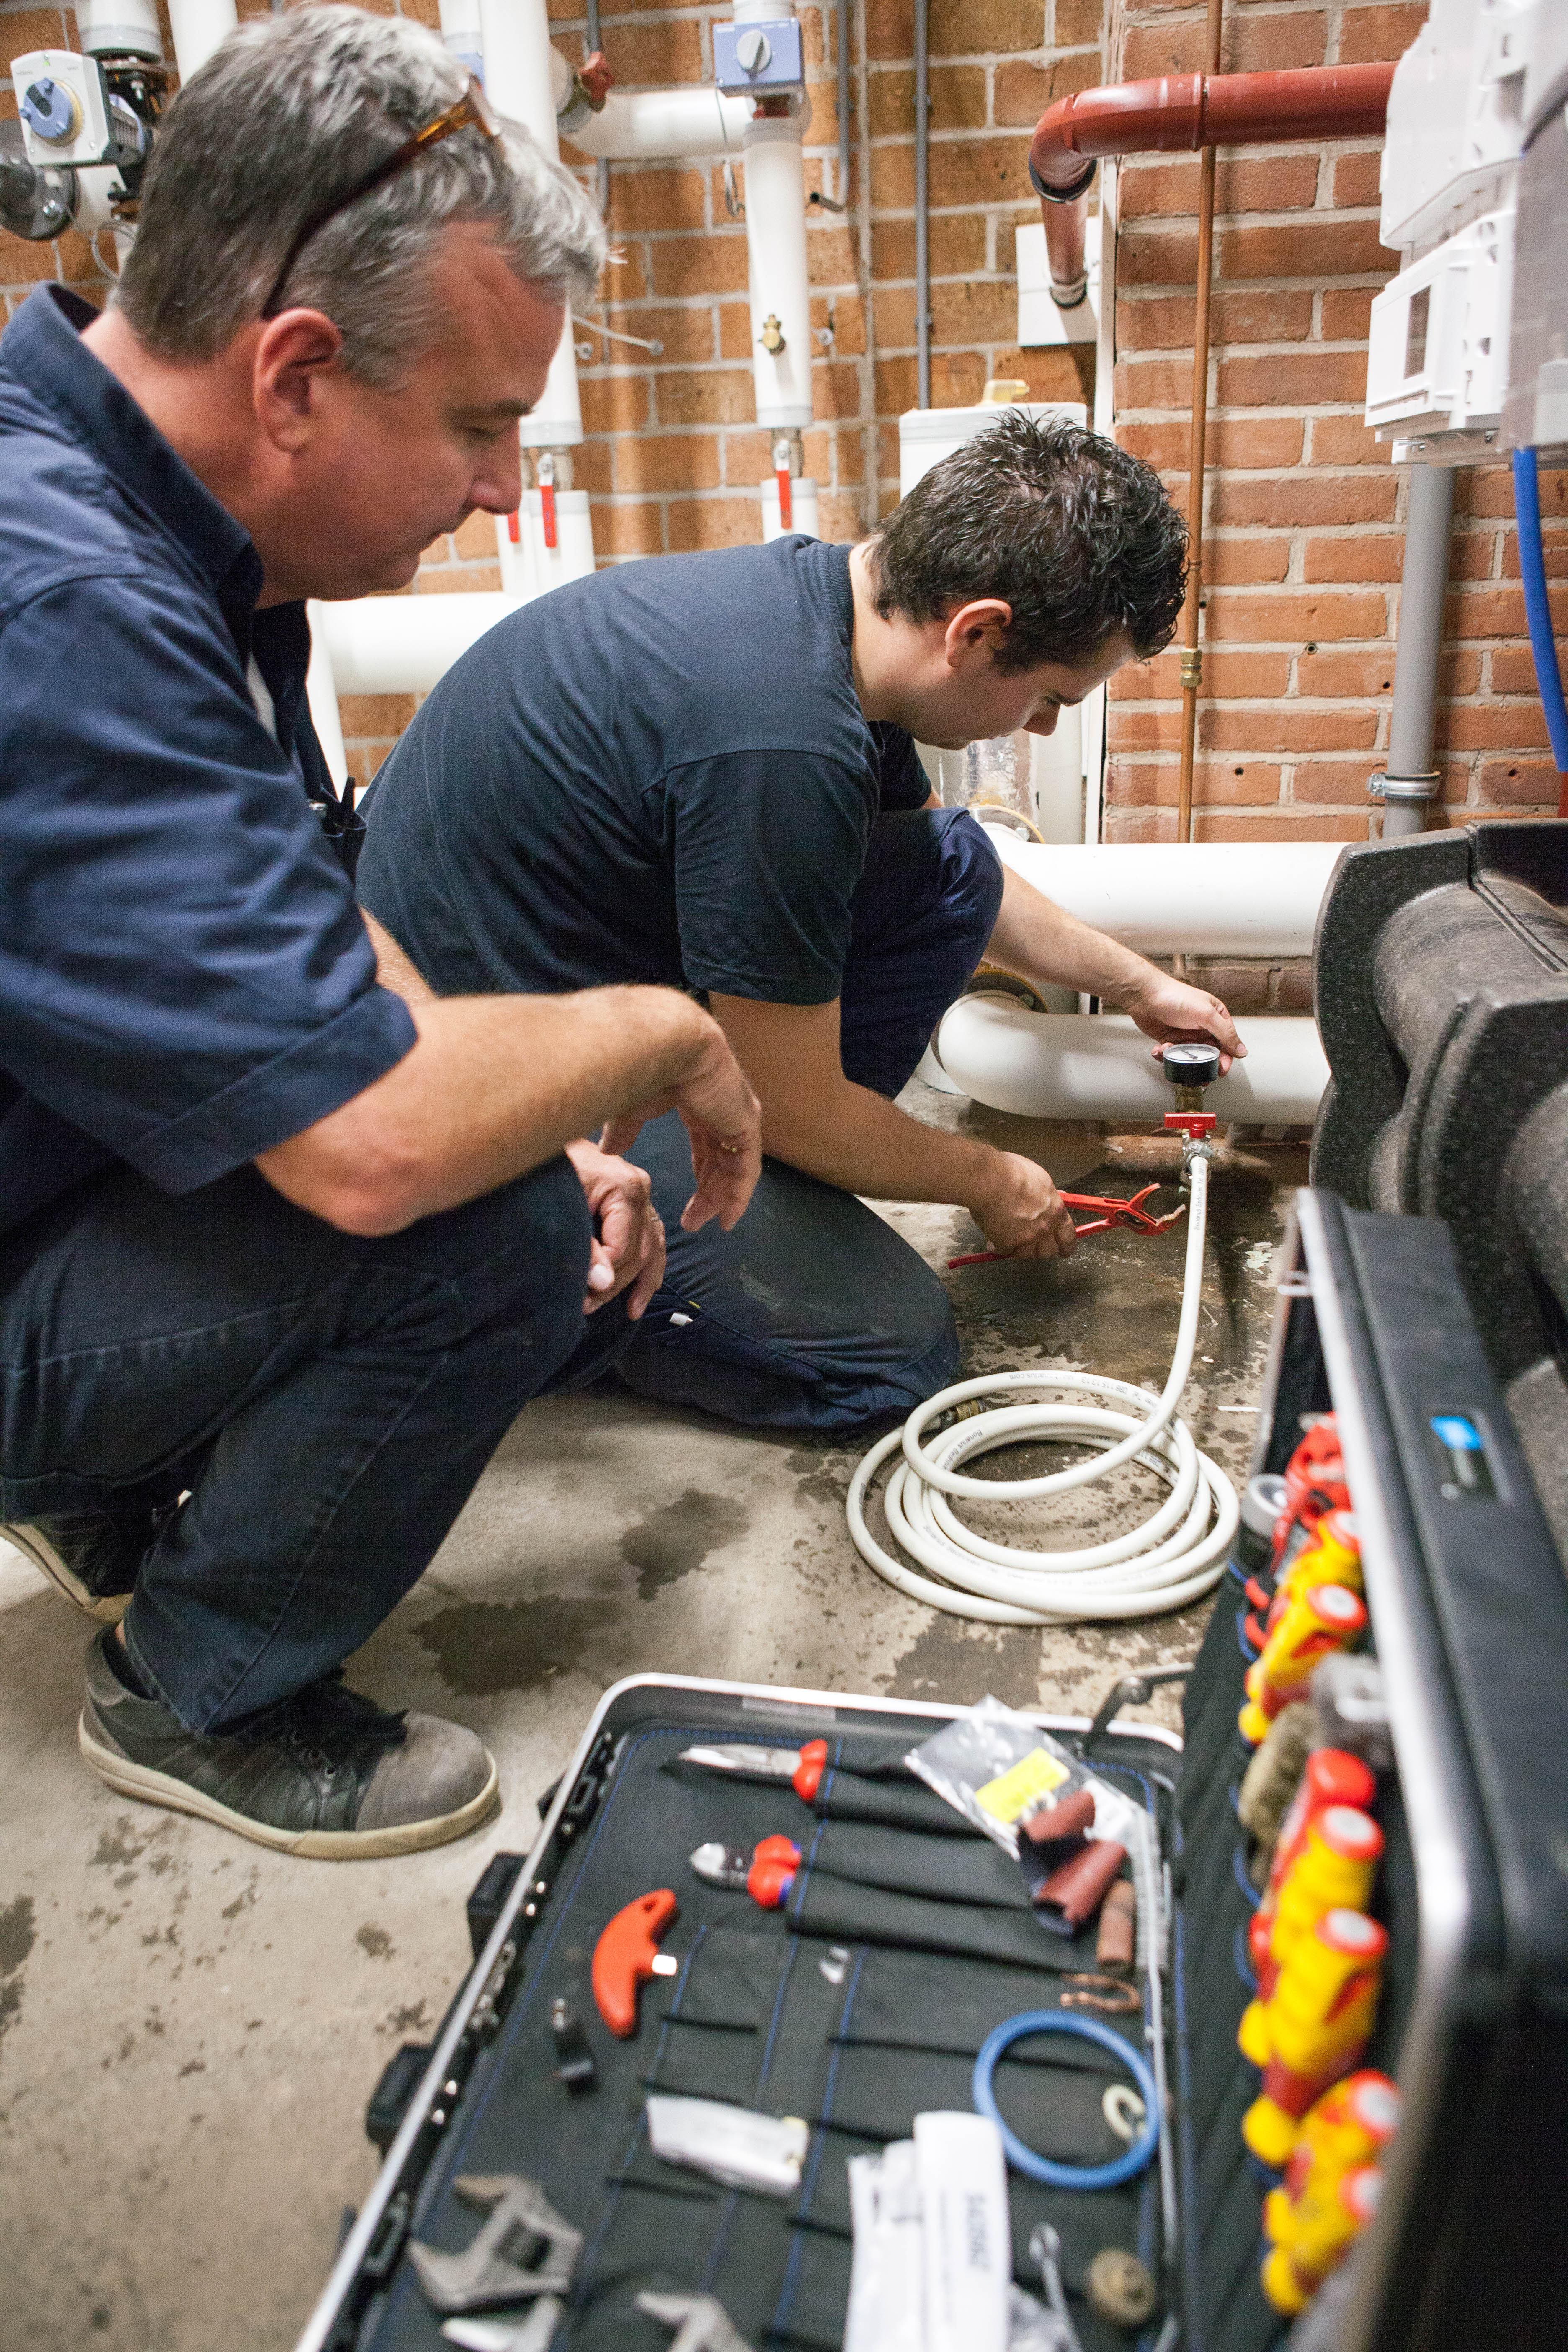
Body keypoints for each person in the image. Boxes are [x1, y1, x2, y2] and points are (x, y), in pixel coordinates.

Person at [0, 7, 762, 1859]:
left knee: (504, 1171)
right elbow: (376, 1147)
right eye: (483, 427)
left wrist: (557, 1118)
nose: (505, 486)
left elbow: (301, 921)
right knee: (476, 1237)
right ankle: (200, 1688)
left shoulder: (139, 515)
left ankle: (95, 1474)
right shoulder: (67, 607)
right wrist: (661, 1030)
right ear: (295, 375)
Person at [357, 415, 1243, 1431]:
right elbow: (788, 1098)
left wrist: (1141, 986)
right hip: (483, 1097)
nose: (1039, 728)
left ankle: (765, 1202)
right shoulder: (783, 744)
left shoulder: (826, 615)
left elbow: (966, 881)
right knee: (892, 1359)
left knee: (946, 865)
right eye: (1048, 698)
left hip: (573, 997)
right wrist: (986, 1176)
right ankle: (547, 1299)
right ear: (980, 632)